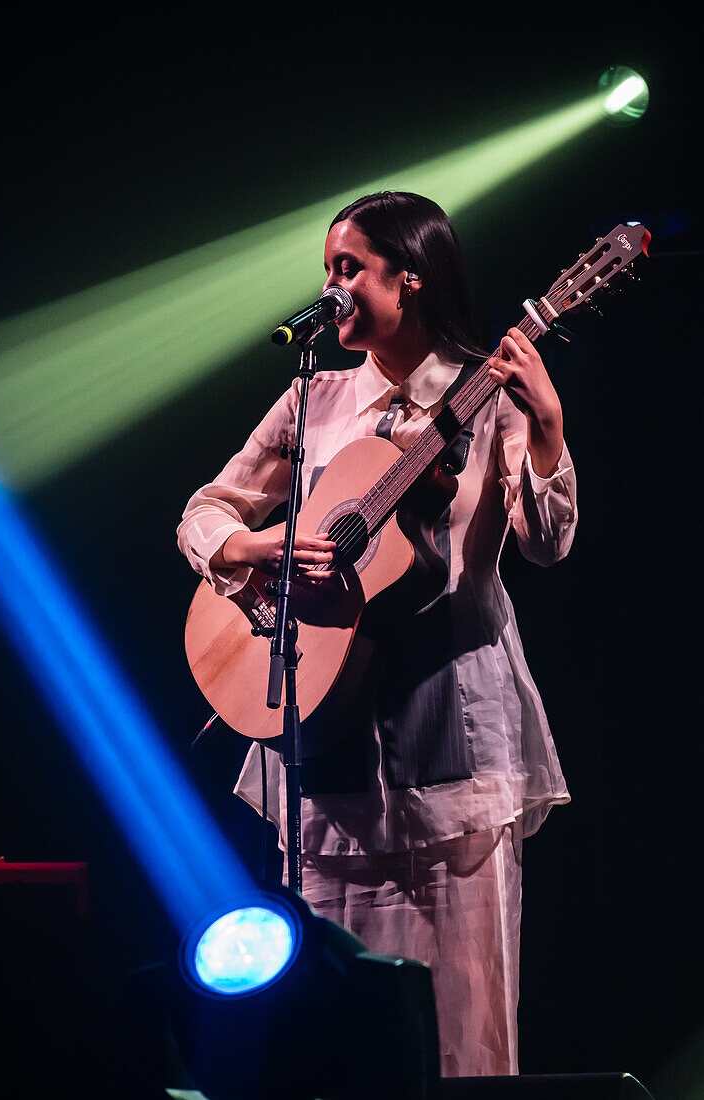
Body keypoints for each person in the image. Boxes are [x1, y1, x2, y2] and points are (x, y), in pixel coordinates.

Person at [177, 191, 577, 1077]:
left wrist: (545, 426)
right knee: (339, 1036)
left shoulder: (489, 392)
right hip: (325, 745)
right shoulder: (311, 401)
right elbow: (204, 513)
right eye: (327, 269)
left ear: (411, 278)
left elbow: (546, 545)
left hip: (452, 742)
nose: (333, 286)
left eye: (348, 267)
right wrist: (263, 547)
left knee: (463, 1033)